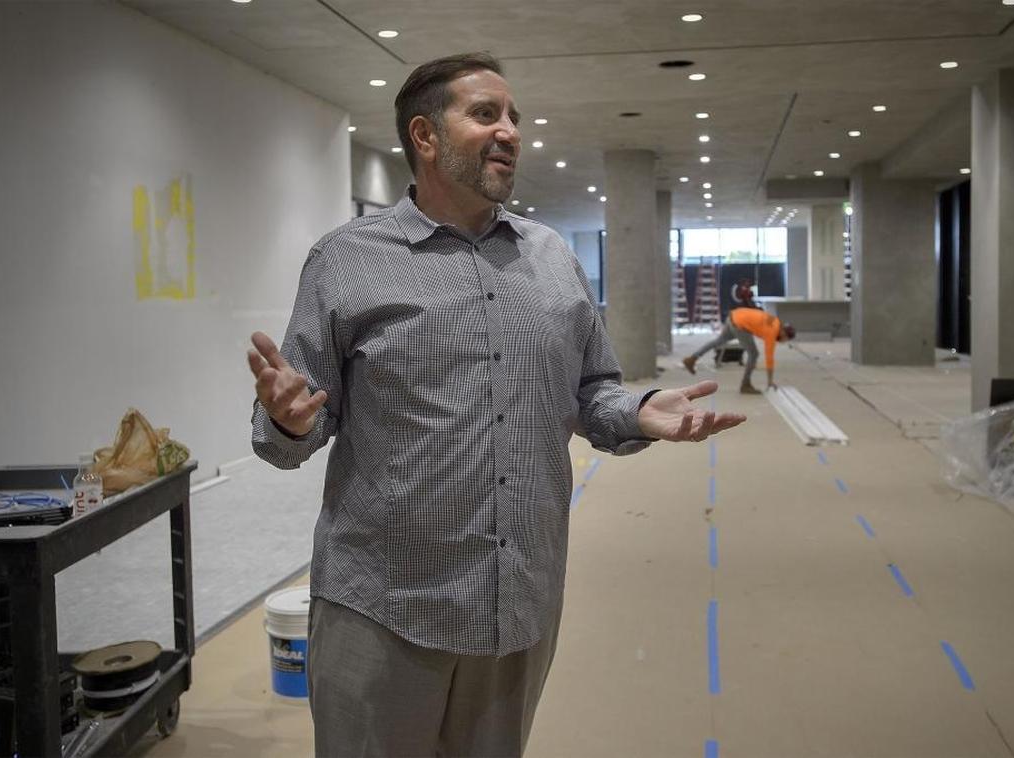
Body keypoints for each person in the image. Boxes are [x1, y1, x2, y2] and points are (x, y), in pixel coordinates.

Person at [246, 52, 745, 757]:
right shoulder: (347, 260)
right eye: (486, 114)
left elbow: (593, 391)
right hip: (385, 609)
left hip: (517, 601)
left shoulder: (551, 259)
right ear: (425, 136)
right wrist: (289, 420)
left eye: (514, 117)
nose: (510, 131)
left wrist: (635, 412)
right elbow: (289, 431)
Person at [682, 307, 796, 394]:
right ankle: (745, 384)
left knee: (718, 341)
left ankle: (692, 359)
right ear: (783, 333)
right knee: (754, 354)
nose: (782, 341)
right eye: (785, 339)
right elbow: (769, 358)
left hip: (733, 316)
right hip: (740, 325)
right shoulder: (772, 331)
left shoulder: (775, 321)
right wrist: (770, 381)